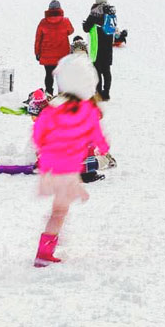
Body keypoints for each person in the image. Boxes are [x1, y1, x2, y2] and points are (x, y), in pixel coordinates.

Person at [30, 46, 111, 267]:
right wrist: (102, 150)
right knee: (59, 211)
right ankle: (45, 252)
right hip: (67, 169)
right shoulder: (88, 111)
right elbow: (98, 138)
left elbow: (38, 134)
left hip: (50, 167)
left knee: (59, 208)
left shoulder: (52, 108)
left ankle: (53, 237)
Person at [80, 0, 115, 101]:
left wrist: (85, 24)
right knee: (107, 71)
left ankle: (98, 93)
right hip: (108, 46)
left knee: (97, 71)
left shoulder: (95, 12)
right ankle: (107, 93)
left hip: (97, 46)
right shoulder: (111, 12)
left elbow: (86, 28)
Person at [33, 0, 72, 94]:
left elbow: (38, 39)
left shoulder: (43, 22)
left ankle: (49, 93)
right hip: (62, 55)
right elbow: (70, 31)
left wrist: (37, 53)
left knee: (49, 75)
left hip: (47, 54)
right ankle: (61, 95)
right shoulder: (65, 21)